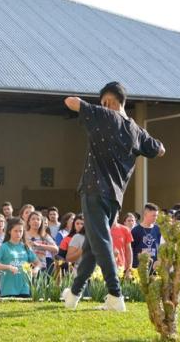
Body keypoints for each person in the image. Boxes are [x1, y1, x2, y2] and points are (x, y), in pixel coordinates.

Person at [62, 81, 165, 312]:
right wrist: (138, 137)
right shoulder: (136, 130)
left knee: (101, 243)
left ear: (109, 101)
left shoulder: (103, 114)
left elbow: (70, 102)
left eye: (103, 102)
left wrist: (94, 108)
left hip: (94, 189)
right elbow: (160, 149)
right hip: (115, 197)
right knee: (93, 245)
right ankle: (74, 294)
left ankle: (115, 295)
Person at [0, 217, 41, 297]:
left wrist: (36, 270)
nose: (18, 234)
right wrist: (8, 267)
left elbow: (38, 263)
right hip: (8, 290)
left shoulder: (25, 247)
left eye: (21, 231)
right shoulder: (4, 247)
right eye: (15, 231)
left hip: (25, 288)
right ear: (9, 231)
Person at [131, 203, 161, 269]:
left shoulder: (157, 229)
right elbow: (131, 249)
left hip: (154, 268)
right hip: (139, 267)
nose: (155, 218)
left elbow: (159, 247)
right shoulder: (135, 230)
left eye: (156, 216)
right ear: (146, 214)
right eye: (153, 215)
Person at [110, 213, 133, 277]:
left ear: (117, 216)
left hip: (121, 268)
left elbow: (129, 251)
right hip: (105, 268)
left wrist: (129, 269)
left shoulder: (125, 229)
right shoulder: (101, 230)